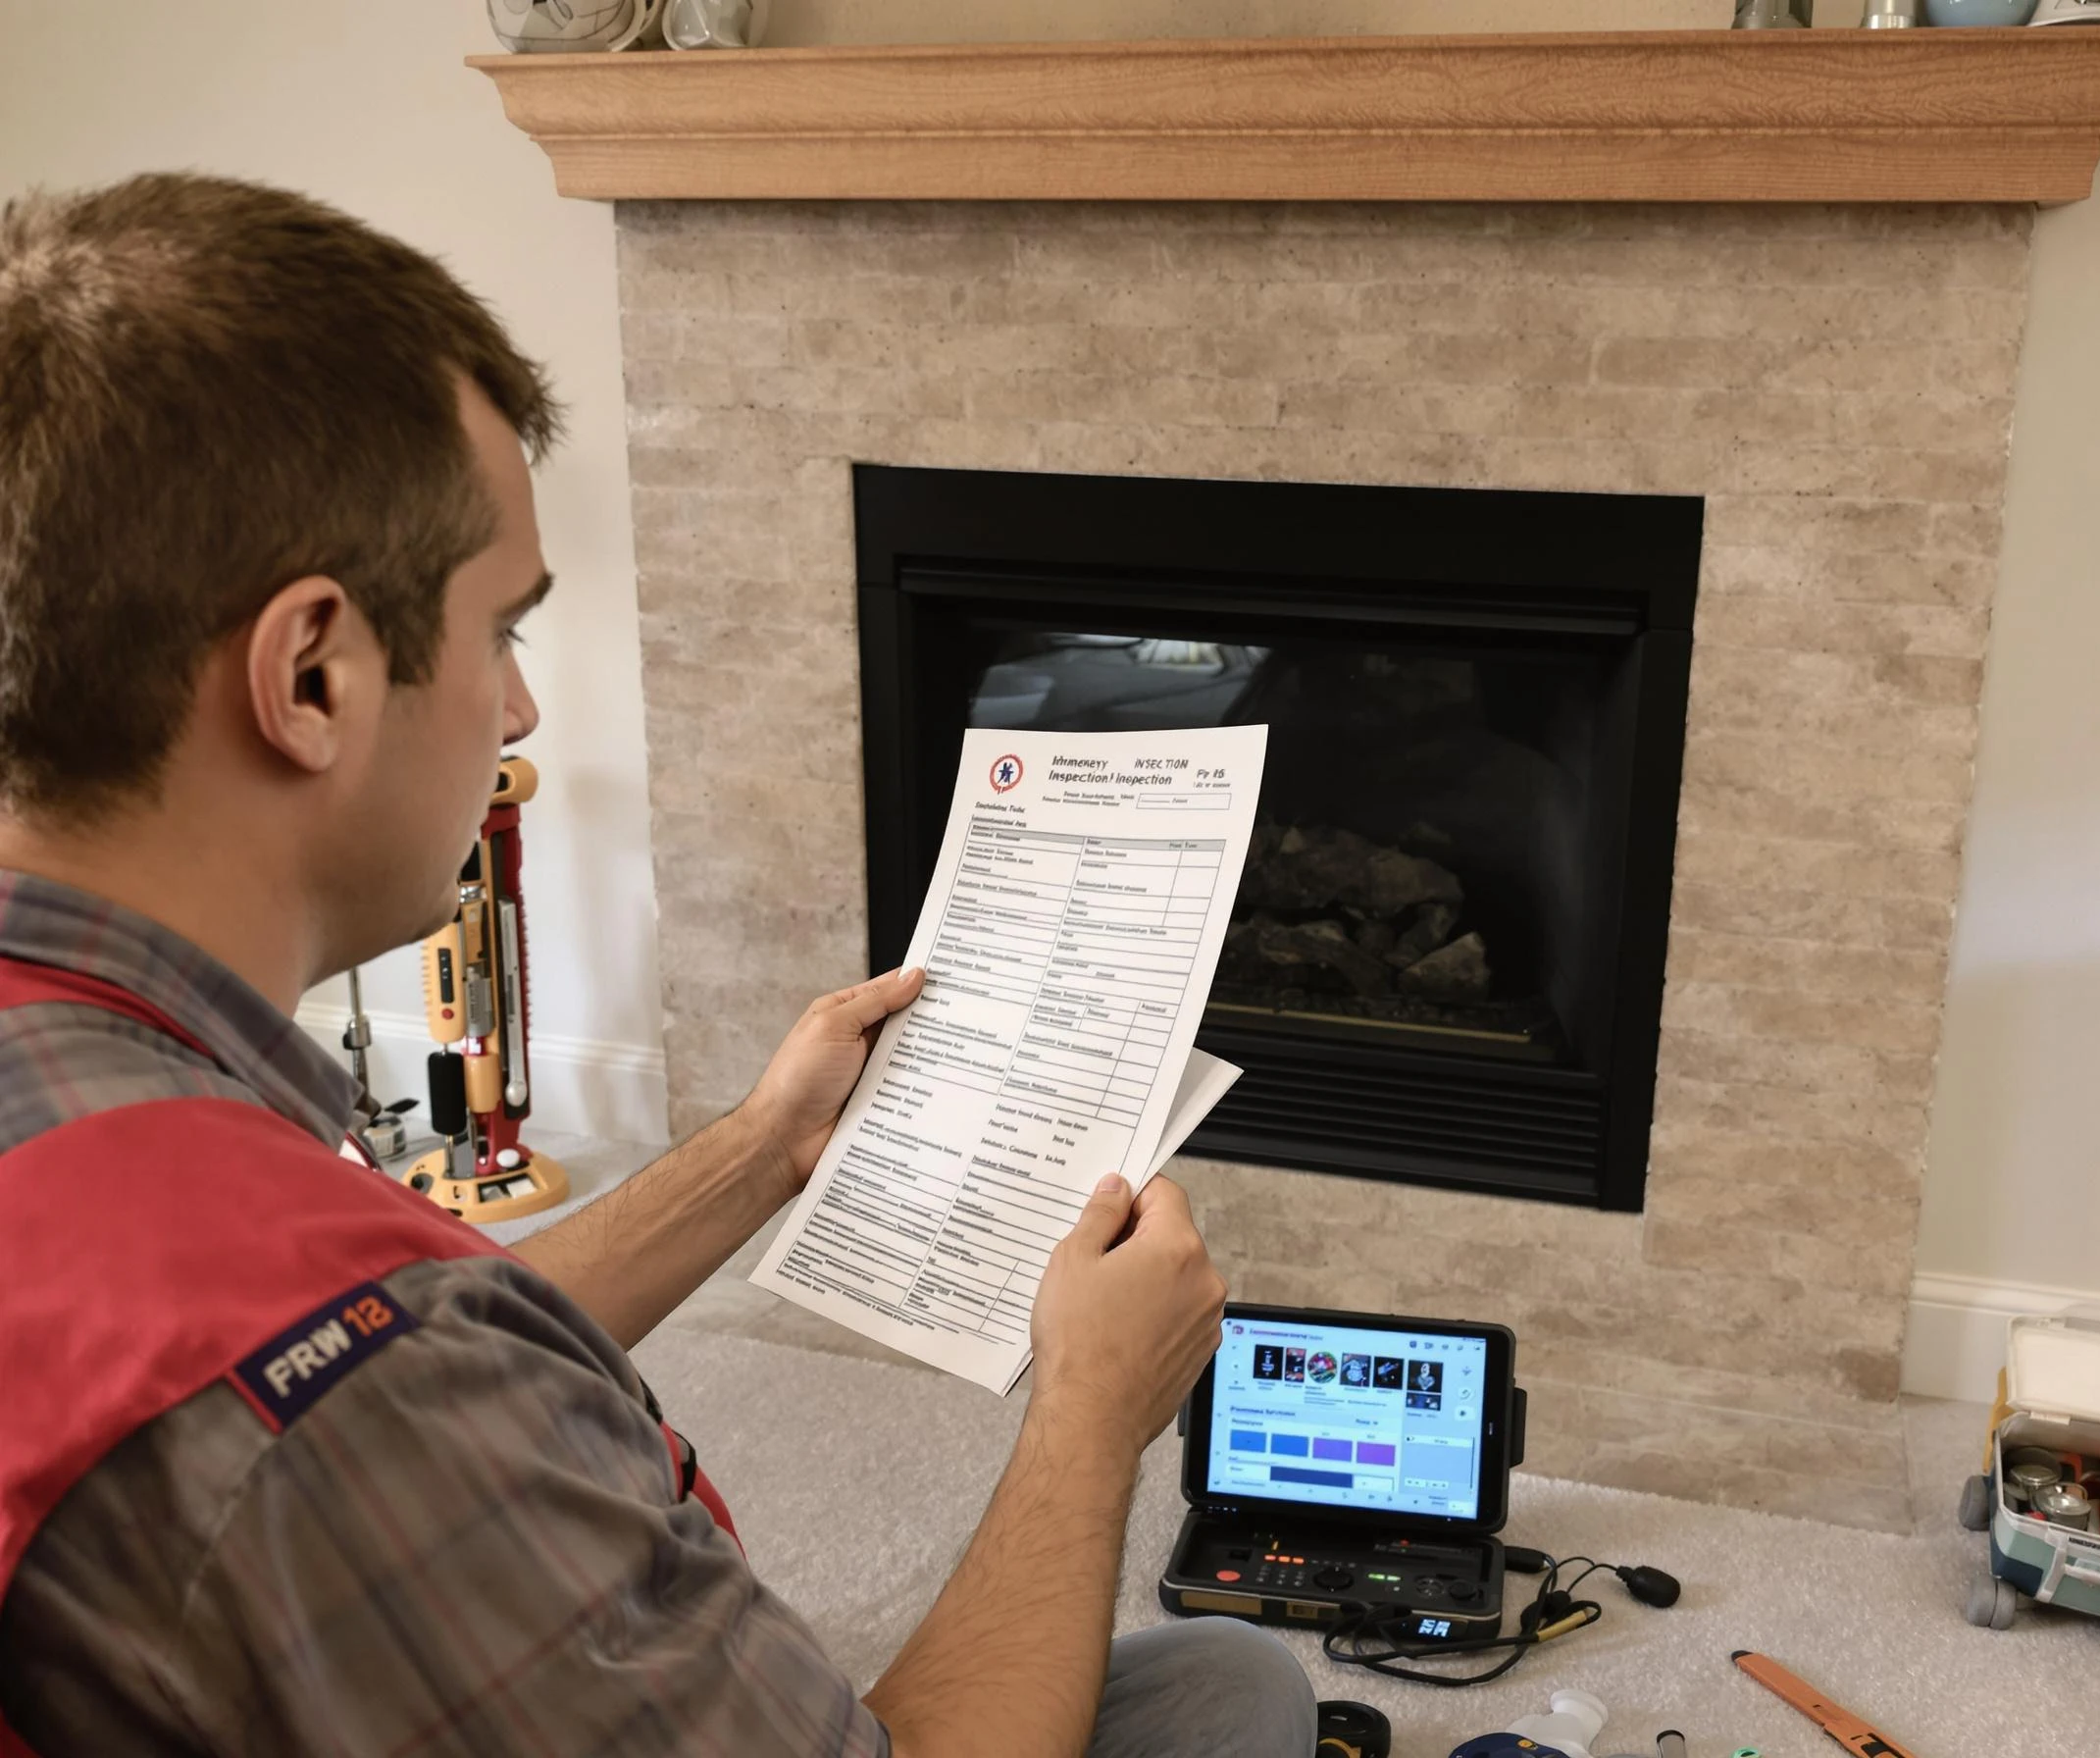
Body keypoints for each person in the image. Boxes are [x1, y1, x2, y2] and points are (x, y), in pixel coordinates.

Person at [0, 173, 1316, 1758]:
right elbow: (373, 1376)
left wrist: (769, 1147)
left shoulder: (122, 1120)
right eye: (506, 632)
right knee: (1237, 1695)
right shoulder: (342, 1377)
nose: (520, 714)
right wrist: (1093, 1419)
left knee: (1212, 1686)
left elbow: (411, 1343)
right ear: (313, 673)